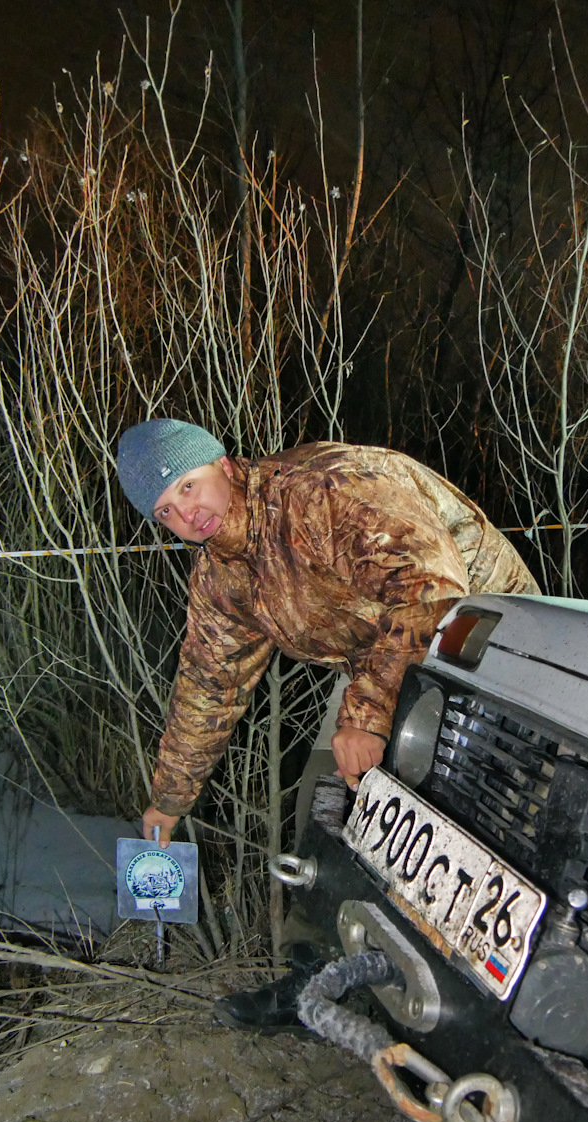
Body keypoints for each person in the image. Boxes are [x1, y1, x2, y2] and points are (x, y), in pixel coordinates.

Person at [116, 418, 539, 1030]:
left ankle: (480, 1003)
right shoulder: (224, 571)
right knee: (328, 803)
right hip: (387, 659)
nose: (187, 514)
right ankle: (313, 981)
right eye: (165, 511)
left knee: (472, 829)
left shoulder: (327, 487)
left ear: (225, 466)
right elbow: (209, 684)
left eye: (187, 485)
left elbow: (430, 587)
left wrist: (366, 714)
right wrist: (168, 801)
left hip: (491, 647)